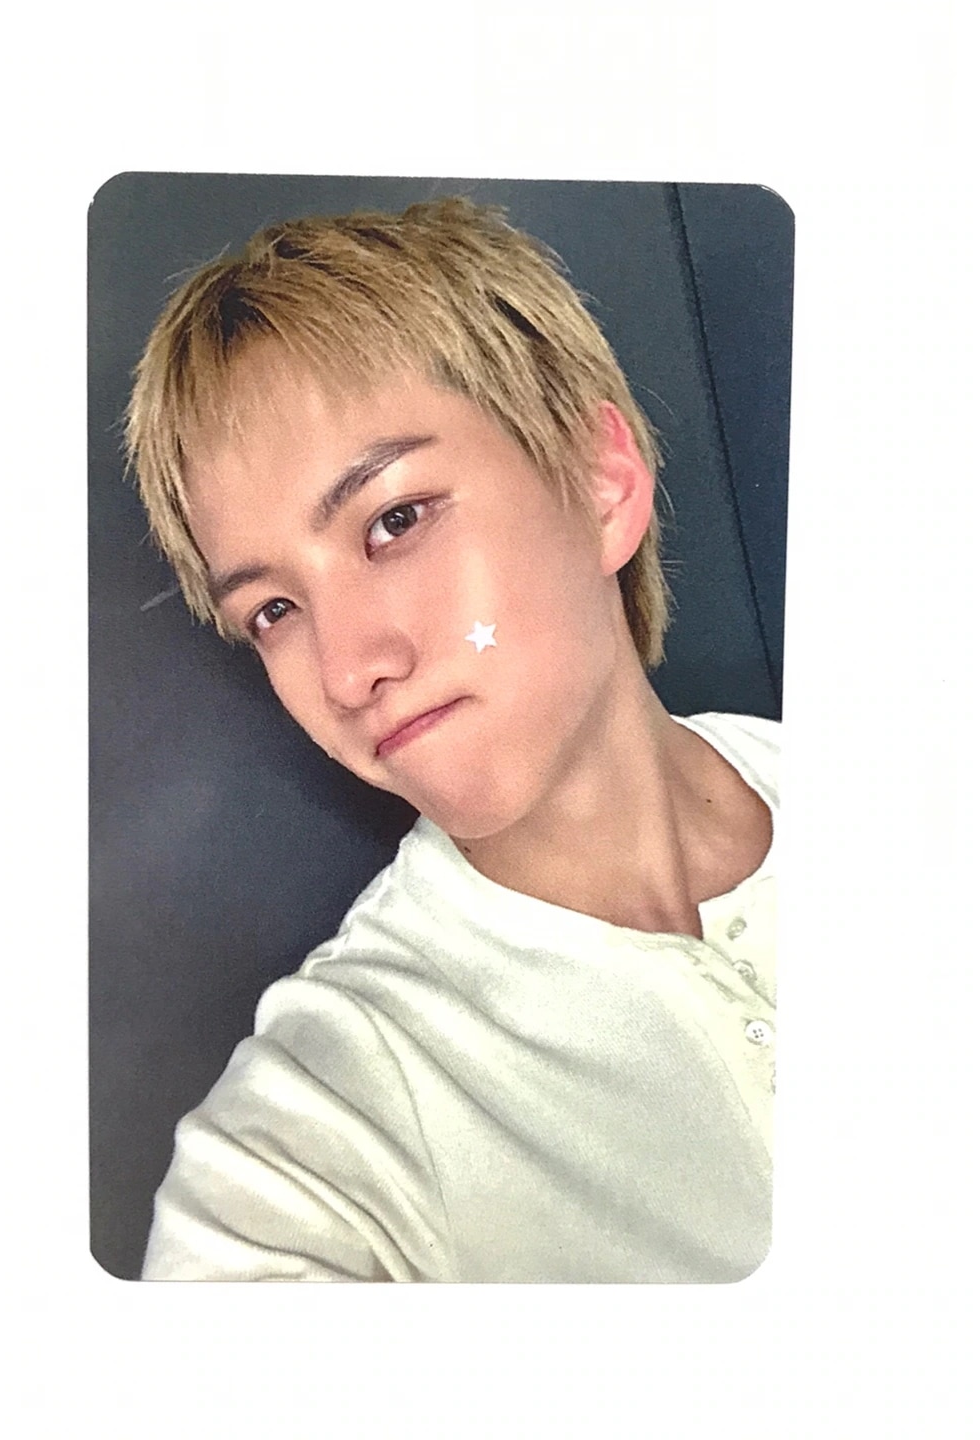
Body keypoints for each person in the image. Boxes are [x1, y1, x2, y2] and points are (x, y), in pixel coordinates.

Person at [126, 197, 779, 1282]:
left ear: (601, 482)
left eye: (394, 520)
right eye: (273, 611)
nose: (348, 671)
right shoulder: (322, 1123)